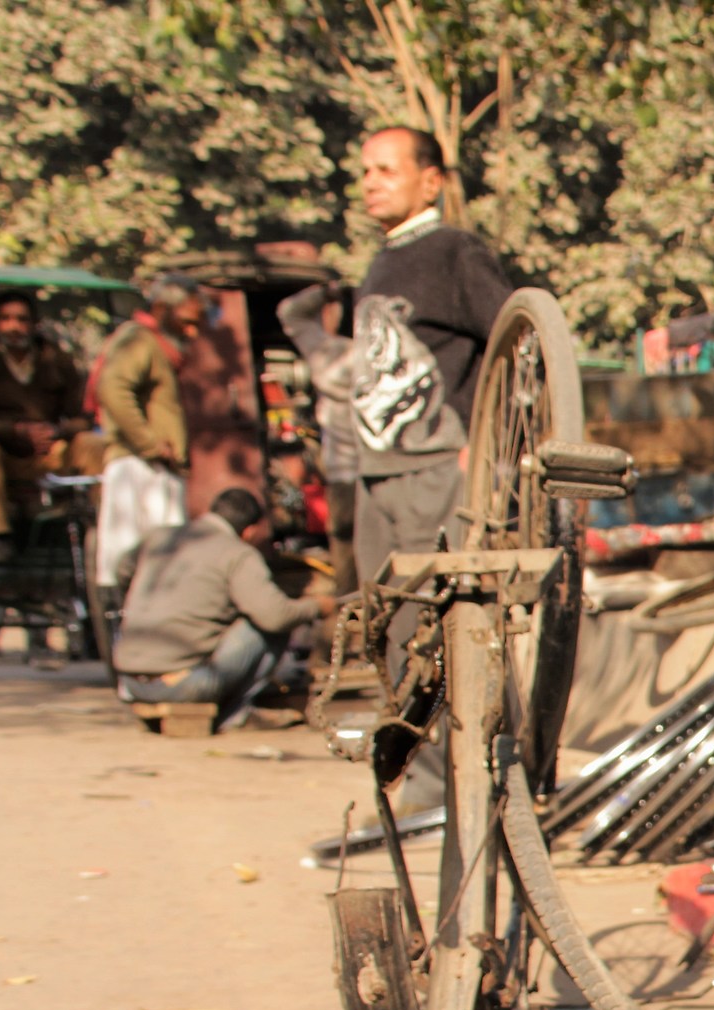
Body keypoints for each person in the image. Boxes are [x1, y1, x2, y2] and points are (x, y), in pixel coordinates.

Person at [350, 126, 511, 594]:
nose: (370, 183)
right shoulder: (381, 261)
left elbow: (515, 343)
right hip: (377, 469)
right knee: (383, 612)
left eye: (386, 170)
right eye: (365, 172)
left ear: (430, 182)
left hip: (436, 466)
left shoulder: (454, 252)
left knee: (438, 606)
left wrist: (486, 443)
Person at [0, 289, 109, 662]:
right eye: (7, 319)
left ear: (34, 324)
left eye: (22, 319)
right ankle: (0, 534)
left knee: (92, 444)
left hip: (51, 453)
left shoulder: (58, 359)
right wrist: (17, 431)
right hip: (2, 455)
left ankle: (101, 527)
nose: (14, 327)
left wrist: (56, 431)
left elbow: (83, 417)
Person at [114, 486, 335, 728]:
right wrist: (316, 606)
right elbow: (276, 616)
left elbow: (122, 570)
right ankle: (234, 713)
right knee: (271, 623)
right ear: (249, 531)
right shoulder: (237, 553)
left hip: (129, 682)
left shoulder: (160, 536)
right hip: (184, 685)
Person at [90, 273, 205, 605]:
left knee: (166, 568)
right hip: (139, 466)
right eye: (186, 322)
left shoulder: (157, 346)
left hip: (154, 467)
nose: (192, 332)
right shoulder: (140, 339)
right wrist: (149, 443)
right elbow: (112, 388)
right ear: (161, 310)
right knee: (146, 568)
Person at [275, 281, 359, 590]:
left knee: (344, 547)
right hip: (385, 470)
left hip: (343, 470)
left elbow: (291, 312)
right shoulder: (381, 357)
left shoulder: (328, 354)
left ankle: (350, 606)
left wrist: (327, 292)